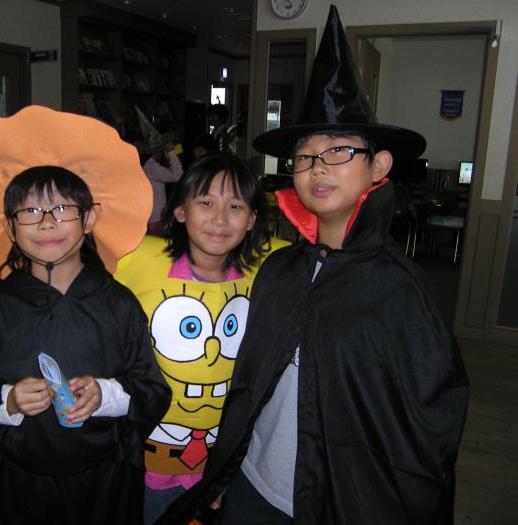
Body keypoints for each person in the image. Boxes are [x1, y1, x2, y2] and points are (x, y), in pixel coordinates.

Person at [159, 7, 469, 525]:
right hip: (254, 489)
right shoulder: (281, 271)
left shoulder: (401, 292)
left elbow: (426, 430)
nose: (318, 167)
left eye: (338, 150)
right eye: (304, 156)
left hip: (342, 505)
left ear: (379, 165)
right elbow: (250, 388)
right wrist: (227, 471)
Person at [0, 105, 171, 524]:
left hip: (107, 479)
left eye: (62, 209)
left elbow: (152, 389)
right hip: (24, 483)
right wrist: (8, 401)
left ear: (89, 218)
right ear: (9, 227)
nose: (46, 223)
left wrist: (105, 395)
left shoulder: (119, 304)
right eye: (29, 212)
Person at [114, 153, 288, 524]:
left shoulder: (271, 266)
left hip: (222, 463)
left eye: (236, 206)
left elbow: (327, 255)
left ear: (252, 219)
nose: (220, 219)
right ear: (180, 211)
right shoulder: (136, 258)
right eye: (206, 202)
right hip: (145, 458)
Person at [135, 106, 184, 236]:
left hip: (147, 217)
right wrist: (171, 152)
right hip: (155, 219)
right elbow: (178, 175)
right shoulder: (153, 168)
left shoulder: (144, 165)